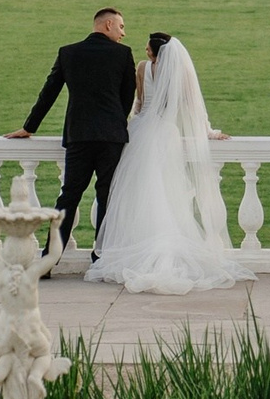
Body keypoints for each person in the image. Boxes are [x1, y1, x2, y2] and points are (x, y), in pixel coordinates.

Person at [87, 33, 252, 296]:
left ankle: (137, 245)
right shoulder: (175, 71)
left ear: (154, 53)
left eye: (147, 48)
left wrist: (130, 126)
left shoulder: (141, 68)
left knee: (138, 193)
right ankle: (160, 247)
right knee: (165, 193)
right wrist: (208, 132)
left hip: (140, 132)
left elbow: (139, 105)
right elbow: (192, 106)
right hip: (164, 133)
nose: (144, 50)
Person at [9, 7, 136, 257]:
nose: (123, 33)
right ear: (108, 24)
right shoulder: (123, 54)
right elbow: (127, 97)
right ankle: (100, 256)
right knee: (107, 195)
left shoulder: (68, 53)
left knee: (69, 196)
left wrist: (29, 127)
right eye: (121, 26)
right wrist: (116, 122)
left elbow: (49, 92)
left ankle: (50, 257)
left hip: (79, 135)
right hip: (111, 137)